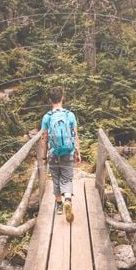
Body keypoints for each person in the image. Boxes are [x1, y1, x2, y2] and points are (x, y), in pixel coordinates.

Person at [40, 88, 81, 222]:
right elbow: (75, 135)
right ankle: (67, 199)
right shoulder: (70, 115)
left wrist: (44, 156)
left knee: (56, 178)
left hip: (53, 153)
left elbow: (44, 139)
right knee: (67, 178)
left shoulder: (47, 117)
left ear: (50, 100)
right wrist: (77, 152)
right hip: (68, 152)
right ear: (62, 98)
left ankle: (59, 205)